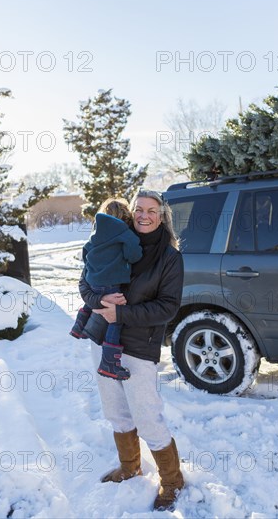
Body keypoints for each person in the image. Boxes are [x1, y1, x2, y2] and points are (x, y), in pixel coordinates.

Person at [79, 189, 185, 512]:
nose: (144, 215)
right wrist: (99, 302)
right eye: (139, 209)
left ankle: (172, 480)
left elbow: (168, 307)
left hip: (139, 348)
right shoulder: (116, 237)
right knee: (116, 412)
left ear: (162, 215)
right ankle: (130, 467)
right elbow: (86, 282)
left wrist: (120, 314)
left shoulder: (169, 258)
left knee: (147, 417)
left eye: (151, 210)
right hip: (102, 340)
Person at [70, 198, 142, 380]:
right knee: (115, 320)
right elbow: (133, 254)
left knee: (95, 300)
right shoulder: (125, 233)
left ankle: (79, 326)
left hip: (93, 280)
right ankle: (110, 363)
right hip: (112, 282)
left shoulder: (95, 234)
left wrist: (95, 268)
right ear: (125, 216)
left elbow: (85, 253)